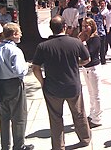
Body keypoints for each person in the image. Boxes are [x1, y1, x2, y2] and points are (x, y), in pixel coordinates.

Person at [32, 16, 91, 150]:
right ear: (65, 27)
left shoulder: (43, 46)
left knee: (55, 119)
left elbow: (35, 68)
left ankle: (58, 146)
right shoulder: (75, 42)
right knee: (79, 114)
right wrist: (76, 64)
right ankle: (85, 138)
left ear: (51, 28)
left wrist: (42, 82)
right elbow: (87, 59)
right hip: (72, 85)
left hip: (52, 88)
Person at [0, 23, 34, 150]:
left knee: (4, 117)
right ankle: (19, 145)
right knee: (19, 116)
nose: (21, 35)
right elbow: (19, 70)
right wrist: (27, 66)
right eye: (19, 32)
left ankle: (5, 145)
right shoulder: (14, 50)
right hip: (14, 84)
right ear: (14, 34)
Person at [78, 18, 103, 129]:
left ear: (92, 26)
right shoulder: (85, 38)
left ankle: (97, 118)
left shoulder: (95, 39)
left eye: (87, 26)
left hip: (93, 68)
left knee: (96, 94)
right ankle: (92, 114)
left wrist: (82, 42)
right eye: (83, 26)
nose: (84, 28)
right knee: (90, 92)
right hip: (85, 68)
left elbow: (88, 53)